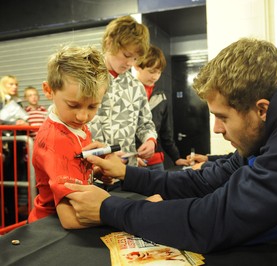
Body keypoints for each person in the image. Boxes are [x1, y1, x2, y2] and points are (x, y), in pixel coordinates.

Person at [65, 38, 277, 265]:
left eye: (222, 117)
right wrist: (128, 174)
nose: (216, 130)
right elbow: (213, 179)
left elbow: (213, 221)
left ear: (261, 108)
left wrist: (111, 209)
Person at [27, 45, 110, 228]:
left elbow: (72, 173)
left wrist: (95, 171)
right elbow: (71, 218)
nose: (83, 116)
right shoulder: (55, 140)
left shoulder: (74, 124)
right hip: (49, 228)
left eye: (92, 107)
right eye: (73, 105)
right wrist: (130, 212)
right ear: (49, 91)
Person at [89, 15, 157, 167]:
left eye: (135, 59)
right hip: (91, 171)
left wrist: (150, 140)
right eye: (126, 55)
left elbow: (145, 123)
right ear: (109, 43)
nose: (129, 63)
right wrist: (104, 153)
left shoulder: (136, 86)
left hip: (125, 171)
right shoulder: (85, 78)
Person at [134, 44, 189, 170]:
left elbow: (166, 132)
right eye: (151, 71)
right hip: (133, 161)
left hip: (156, 162)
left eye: (159, 72)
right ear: (137, 66)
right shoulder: (127, 93)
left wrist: (176, 157)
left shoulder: (161, 97)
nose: (155, 76)